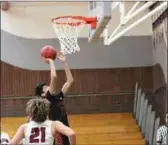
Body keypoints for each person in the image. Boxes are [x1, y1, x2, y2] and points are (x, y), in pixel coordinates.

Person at [35, 52, 74, 145]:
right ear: (43, 94)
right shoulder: (48, 99)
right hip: (57, 135)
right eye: (45, 87)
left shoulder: (58, 97)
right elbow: (54, 77)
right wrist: (51, 61)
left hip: (64, 132)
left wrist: (64, 62)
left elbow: (70, 81)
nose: (48, 86)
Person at [9, 98, 76, 145]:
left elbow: (12, 143)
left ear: (31, 113)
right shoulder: (54, 124)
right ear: (47, 112)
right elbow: (71, 134)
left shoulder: (24, 127)